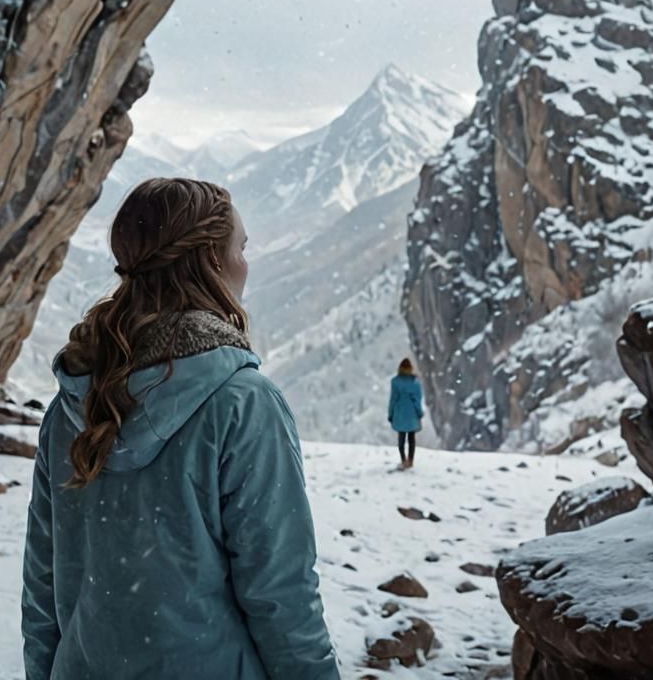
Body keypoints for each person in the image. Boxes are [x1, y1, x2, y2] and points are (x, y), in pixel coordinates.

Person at [21, 177, 340, 680]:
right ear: (213, 261)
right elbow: (282, 596)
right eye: (241, 247)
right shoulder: (243, 404)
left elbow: (43, 582)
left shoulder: (75, 402)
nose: (246, 263)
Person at [388, 358, 424, 470]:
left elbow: (393, 399)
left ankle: (403, 460)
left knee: (401, 438)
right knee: (412, 438)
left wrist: (391, 413)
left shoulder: (395, 382)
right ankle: (411, 460)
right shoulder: (415, 383)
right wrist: (419, 412)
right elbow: (417, 399)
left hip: (399, 413)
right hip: (412, 413)